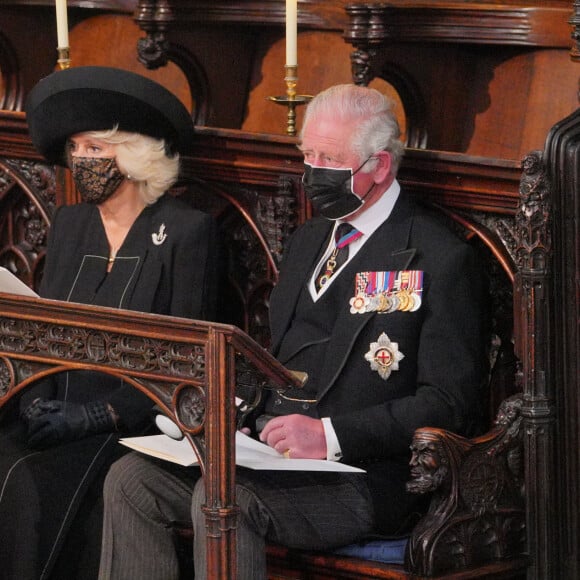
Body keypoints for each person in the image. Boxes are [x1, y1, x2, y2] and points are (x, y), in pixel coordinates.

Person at [98, 83, 488, 580]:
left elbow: (450, 403)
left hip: (365, 474)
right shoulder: (309, 239)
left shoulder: (437, 256)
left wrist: (329, 436)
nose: (312, 173)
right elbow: (276, 359)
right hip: (271, 453)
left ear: (379, 166)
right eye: (308, 154)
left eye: (328, 159)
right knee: (131, 480)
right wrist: (235, 416)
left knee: (226, 498)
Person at [0, 66, 220, 579]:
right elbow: (46, 331)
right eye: (75, 148)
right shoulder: (72, 224)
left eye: (95, 148)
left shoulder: (187, 232)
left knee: (27, 483)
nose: (81, 160)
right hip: (51, 410)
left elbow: (188, 358)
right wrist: (34, 400)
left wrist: (100, 415)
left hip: (129, 427)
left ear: (133, 152)